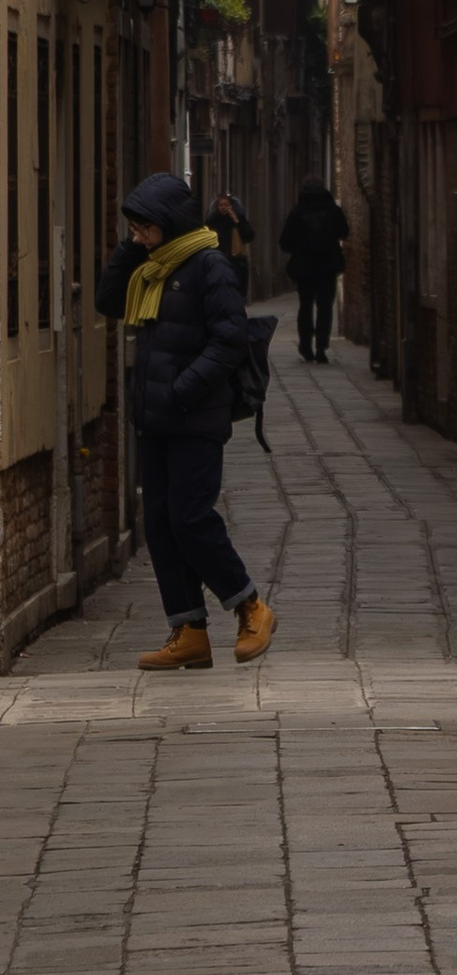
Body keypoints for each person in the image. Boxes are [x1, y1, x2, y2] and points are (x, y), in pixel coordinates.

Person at [98, 174, 278, 671]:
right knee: (158, 523)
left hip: (194, 416)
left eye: (145, 228)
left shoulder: (210, 266)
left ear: (171, 224)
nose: (139, 237)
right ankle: (189, 631)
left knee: (190, 518)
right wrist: (130, 248)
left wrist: (183, 390)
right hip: (155, 419)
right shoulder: (151, 269)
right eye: (134, 228)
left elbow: (229, 340)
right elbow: (108, 301)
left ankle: (250, 606)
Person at [278, 179, 351, 363]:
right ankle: (321, 346)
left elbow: (285, 242)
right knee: (325, 307)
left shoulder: (297, 213)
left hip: (305, 268)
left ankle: (305, 345)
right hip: (327, 267)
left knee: (305, 306)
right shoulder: (333, 211)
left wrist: (299, 248)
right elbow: (344, 232)